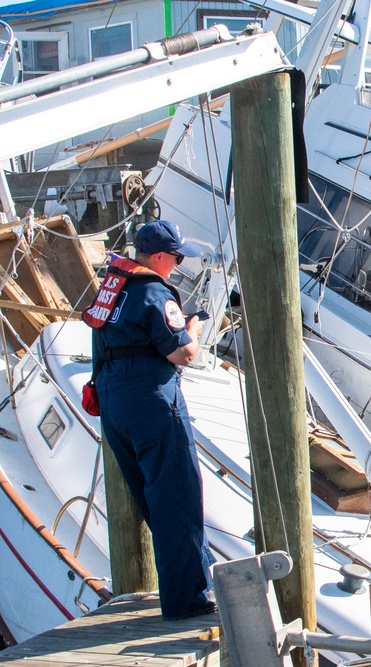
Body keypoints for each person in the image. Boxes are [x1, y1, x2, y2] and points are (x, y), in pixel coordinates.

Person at [84, 219, 216, 620]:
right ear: (159, 256)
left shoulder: (112, 286)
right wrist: (191, 330)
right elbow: (183, 354)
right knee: (178, 497)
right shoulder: (154, 291)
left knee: (151, 500)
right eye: (175, 258)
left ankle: (192, 581)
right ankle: (187, 602)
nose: (177, 265)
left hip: (113, 402)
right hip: (151, 399)